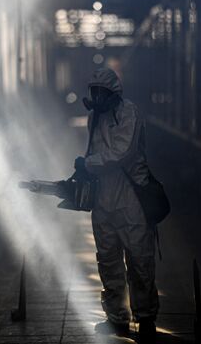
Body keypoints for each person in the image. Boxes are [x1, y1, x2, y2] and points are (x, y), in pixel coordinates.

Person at [74, 68, 159, 342]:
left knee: (140, 260)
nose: (97, 97)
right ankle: (117, 317)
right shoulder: (93, 118)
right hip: (103, 200)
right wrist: (83, 170)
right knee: (108, 259)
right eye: (93, 92)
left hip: (130, 198)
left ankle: (145, 317)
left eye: (102, 92)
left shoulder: (129, 113)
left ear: (113, 93)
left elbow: (122, 153)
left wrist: (88, 164)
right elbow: (95, 153)